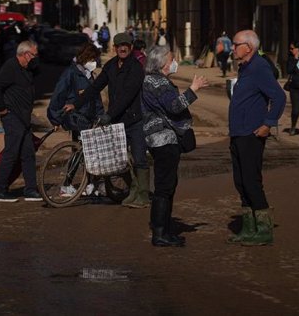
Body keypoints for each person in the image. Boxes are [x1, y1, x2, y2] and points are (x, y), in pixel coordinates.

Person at [64, 32, 149, 208]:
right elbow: (95, 87)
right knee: (119, 159)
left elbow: (127, 96)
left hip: (134, 121)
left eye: (126, 45)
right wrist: (76, 104)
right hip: (117, 122)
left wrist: (109, 115)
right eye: (119, 46)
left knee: (139, 158)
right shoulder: (111, 66)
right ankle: (133, 190)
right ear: (114, 48)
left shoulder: (136, 68)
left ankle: (143, 195)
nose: (123, 48)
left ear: (131, 47)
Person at [141, 45, 209, 247]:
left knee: (169, 185)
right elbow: (174, 106)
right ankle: (160, 233)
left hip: (163, 139)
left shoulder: (157, 80)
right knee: (164, 186)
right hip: (163, 140)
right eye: (171, 59)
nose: (174, 63)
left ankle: (165, 230)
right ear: (162, 63)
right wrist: (193, 90)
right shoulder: (156, 81)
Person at [227, 30, 286, 246]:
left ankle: (263, 229)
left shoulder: (259, 67)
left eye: (236, 44)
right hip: (238, 133)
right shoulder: (245, 67)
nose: (232, 48)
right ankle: (248, 227)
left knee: (252, 182)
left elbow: (279, 97)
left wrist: (268, 123)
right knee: (240, 182)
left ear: (248, 47)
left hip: (251, 134)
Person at [0, 40, 42, 202]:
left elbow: (37, 71)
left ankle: (30, 189)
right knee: (11, 153)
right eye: (34, 55)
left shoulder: (28, 69)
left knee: (28, 154)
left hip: (24, 118)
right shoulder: (11, 66)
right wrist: (2, 110)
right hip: (12, 117)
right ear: (25, 54)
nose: (36, 58)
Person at [47, 43, 104, 139]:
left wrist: (101, 115)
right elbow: (58, 96)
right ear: (85, 57)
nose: (94, 62)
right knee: (79, 149)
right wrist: (55, 120)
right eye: (92, 59)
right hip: (77, 119)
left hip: (89, 119)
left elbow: (95, 97)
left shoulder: (89, 74)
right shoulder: (71, 73)